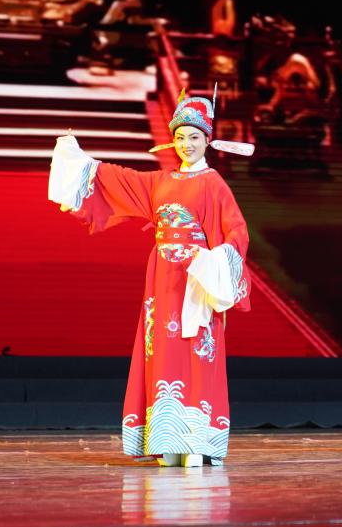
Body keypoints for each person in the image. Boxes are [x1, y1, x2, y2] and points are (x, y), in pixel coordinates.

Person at [47, 90, 256, 467]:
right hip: (161, 278)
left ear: (207, 140)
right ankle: (165, 438)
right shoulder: (160, 181)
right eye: (181, 137)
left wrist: (214, 261)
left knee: (195, 352)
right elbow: (117, 180)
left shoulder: (214, 184)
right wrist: (76, 159)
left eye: (194, 137)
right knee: (161, 350)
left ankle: (195, 441)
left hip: (197, 279)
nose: (187, 144)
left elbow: (237, 232)